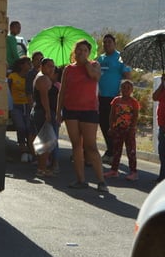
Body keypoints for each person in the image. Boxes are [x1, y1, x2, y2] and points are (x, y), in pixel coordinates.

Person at [56, 39, 109, 193]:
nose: (81, 53)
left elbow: (95, 77)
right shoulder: (68, 69)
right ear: (74, 51)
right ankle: (80, 179)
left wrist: (86, 63)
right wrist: (58, 111)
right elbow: (62, 90)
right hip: (70, 110)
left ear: (89, 52)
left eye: (85, 50)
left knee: (91, 146)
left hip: (89, 110)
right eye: (79, 50)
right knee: (76, 145)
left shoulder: (94, 65)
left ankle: (101, 181)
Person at [97, 34, 131, 165]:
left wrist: (126, 96)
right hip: (101, 97)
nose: (106, 44)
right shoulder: (100, 59)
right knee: (103, 124)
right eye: (104, 42)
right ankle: (110, 151)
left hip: (115, 98)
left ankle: (114, 153)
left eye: (109, 42)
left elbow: (127, 76)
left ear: (115, 43)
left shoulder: (121, 58)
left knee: (114, 126)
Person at [104, 79, 141, 181]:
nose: (125, 90)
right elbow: (112, 115)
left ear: (132, 90)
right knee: (116, 150)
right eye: (123, 87)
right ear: (120, 89)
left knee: (131, 151)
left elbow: (135, 116)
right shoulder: (116, 100)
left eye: (128, 88)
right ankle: (114, 170)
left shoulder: (134, 102)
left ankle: (133, 172)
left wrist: (132, 128)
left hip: (129, 130)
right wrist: (111, 127)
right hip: (117, 129)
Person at [31, 58, 60, 177]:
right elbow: (44, 97)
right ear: (42, 66)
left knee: (44, 141)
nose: (51, 68)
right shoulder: (42, 78)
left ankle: (42, 167)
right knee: (46, 142)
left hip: (42, 112)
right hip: (43, 112)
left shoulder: (45, 77)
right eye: (49, 66)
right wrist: (48, 113)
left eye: (53, 66)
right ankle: (42, 168)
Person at [8, 57, 34, 162]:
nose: (30, 66)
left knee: (29, 127)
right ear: (21, 65)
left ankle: (30, 150)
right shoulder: (12, 76)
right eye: (28, 64)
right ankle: (23, 150)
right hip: (16, 106)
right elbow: (7, 91)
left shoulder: (31, 77)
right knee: (20, 127)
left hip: (28, 105)